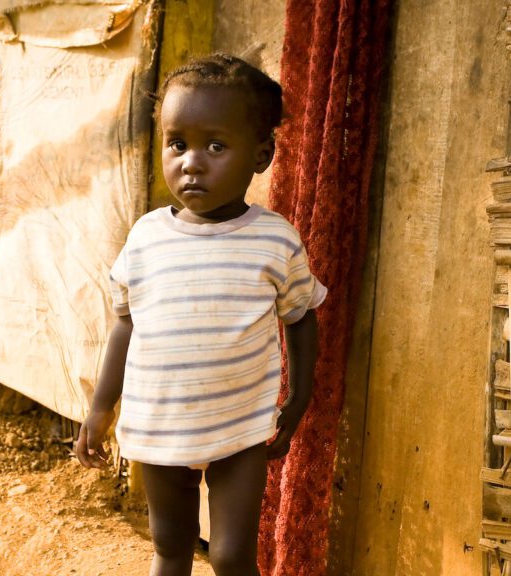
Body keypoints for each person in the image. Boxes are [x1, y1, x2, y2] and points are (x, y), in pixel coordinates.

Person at [75, 53, 325, 576]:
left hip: (242, 422)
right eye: (177, 143)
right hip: (159, 421)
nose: (191, 161)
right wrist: (101, 407)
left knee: (232, 556)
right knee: (171, 545)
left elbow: (300, 316)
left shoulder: (274, 239)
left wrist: (298, 398)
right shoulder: (146, 237)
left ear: (261, 155)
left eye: (215, 145)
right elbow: (126, 322)